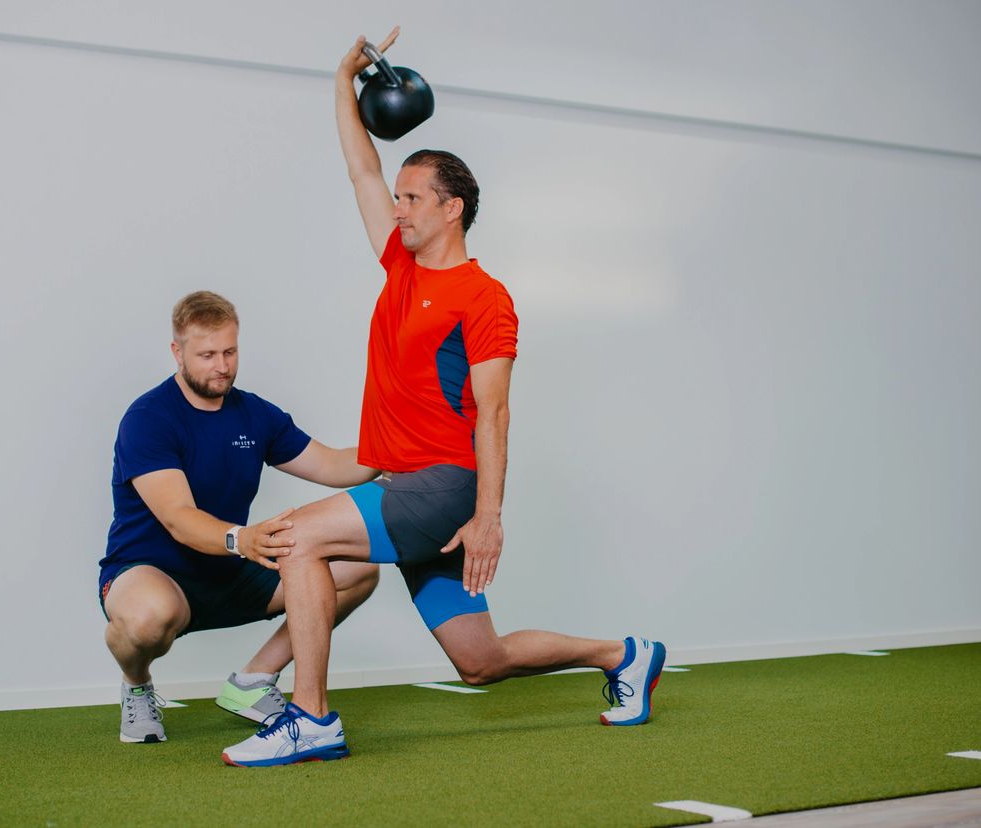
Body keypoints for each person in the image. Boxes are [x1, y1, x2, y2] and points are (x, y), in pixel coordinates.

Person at [219, 30, 664, 768]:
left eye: (413, 198)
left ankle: (309, 717)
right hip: (410, 486)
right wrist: (341, 81)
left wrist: (488, 517)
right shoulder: (400, 266)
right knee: (480, 659)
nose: (397, 208)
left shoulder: (483, 299)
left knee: (296, 537)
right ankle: (625, 655)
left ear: (452, 208)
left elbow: (494, 413)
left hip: (446, 487)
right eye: (397, 197)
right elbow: (359, 170)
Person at [100, 290, 380, 743]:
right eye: (207, 354)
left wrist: (398, 444)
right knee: (149, 618)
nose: (222, 366)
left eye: (230, 352)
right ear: (178, 352)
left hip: (228, 570)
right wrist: (241, 540)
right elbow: (179, 518)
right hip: (151, 573)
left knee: (359, 570)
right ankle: (136, 686)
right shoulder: (148, 417)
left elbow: (332, 466)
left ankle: (252, 682)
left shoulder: (254, 414)